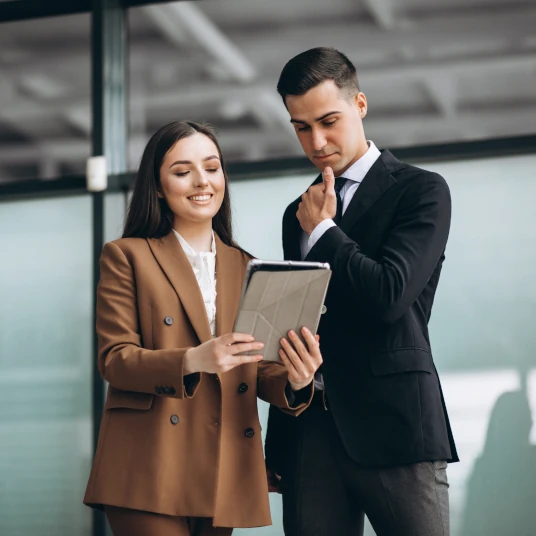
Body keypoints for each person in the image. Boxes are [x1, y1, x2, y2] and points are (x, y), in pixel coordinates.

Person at [83, 120, 322, 536]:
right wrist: (195, 359)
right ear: (157, 187)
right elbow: (115, 360)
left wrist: (298, 380)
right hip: (149, 462)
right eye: (182, 171)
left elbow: (255, 363)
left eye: (212, 168)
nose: (202, 181)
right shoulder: (127, 256)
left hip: (222, 464)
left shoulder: (245, 264)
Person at [264, 47, 458, 536]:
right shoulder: (298, 211)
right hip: (312, 432)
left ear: (361, 105)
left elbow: (389, 295)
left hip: (394, 425)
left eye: (328, 120)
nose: (317, 140)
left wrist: (326, 229)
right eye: (301, 126)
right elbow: (300, 320)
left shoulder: (421, 191)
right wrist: (278, 443)